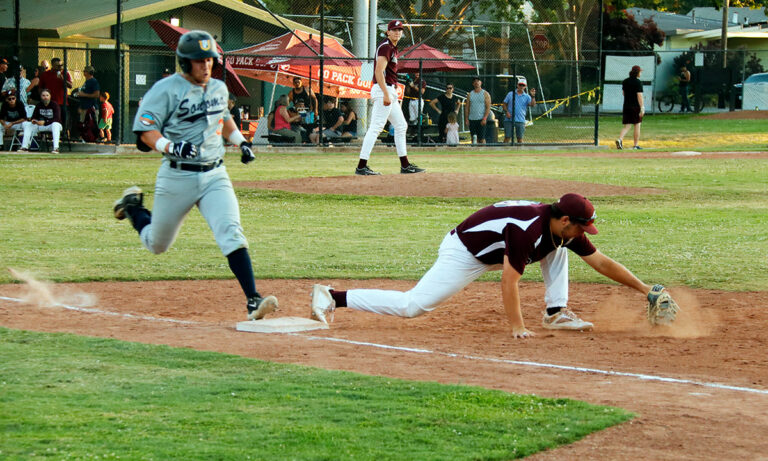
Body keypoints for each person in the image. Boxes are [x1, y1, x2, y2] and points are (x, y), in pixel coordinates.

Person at [310, 193, 675, 338]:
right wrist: (517, 327)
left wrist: (646, 289)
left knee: (561, 250)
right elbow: (508, 282)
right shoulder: (527, 230)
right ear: (565, 218)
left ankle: (555, 312)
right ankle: (333, 297)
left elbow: (601, 262)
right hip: (464, 251)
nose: (584, 232)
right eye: (581, 225)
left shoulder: (560, 230)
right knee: (412, 306)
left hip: (498, 243)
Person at [112, 30, 278, 322]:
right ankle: (134, 207)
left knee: (231, 231)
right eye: (199, 61)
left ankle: (253, 299)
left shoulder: (217, 88)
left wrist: (242, 143)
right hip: (177, 177)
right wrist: (169, 145)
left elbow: (223, 120)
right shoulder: (166, 89)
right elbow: (145, 131)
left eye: (210, 60)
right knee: (157, 244)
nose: (206, 66)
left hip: (215, 174)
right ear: (185, 63)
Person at [356, 19, 424, 176]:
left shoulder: (391, 47)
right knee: (376, 128)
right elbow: (378, 71)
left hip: (388, 90)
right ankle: (361, 166)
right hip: (383, 90)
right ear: (388, 32)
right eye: (394, 30)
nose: (397, 32)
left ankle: (405, 165)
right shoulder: (386, 47)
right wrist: (386, 94)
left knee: (401, 126)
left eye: (400, 30)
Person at [20, 88, 62, 154]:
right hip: (40, 125)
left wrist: (45, 122)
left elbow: (57, 118)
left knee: (55, 124)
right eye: (43, 95)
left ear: (50, 96)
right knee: (27, 124)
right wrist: (34, 121)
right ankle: (24, 147)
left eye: (47, 95)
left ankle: (56, 148)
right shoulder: (39, 105)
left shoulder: (54, 105)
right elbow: (34, 116)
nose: (45, 97)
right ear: (41, 96)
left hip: (51, 125)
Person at [616, 65, 644, 150]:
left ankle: (620, 139)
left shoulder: (625, 81)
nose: (641, 73)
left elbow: (624, 93)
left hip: (626, 106)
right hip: (635, 106)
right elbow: (639, 95)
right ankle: (635, 145)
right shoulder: (638, 82)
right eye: (640, 72)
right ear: (637, 73)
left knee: (627, 126)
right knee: (637, 124)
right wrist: (642, 107)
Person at [465, 77, 491, 145]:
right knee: (473, 138)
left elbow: (488, 107)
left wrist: (485, 118)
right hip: (472, 119)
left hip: (481, 119)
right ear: (473, 84)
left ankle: (483, 154)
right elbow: (467, 107)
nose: (476, 82)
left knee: (481, 139)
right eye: (475, 81)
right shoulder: (470, 94)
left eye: (478, 81)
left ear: (481, 83)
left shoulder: (485, 94)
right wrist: (467, 119)